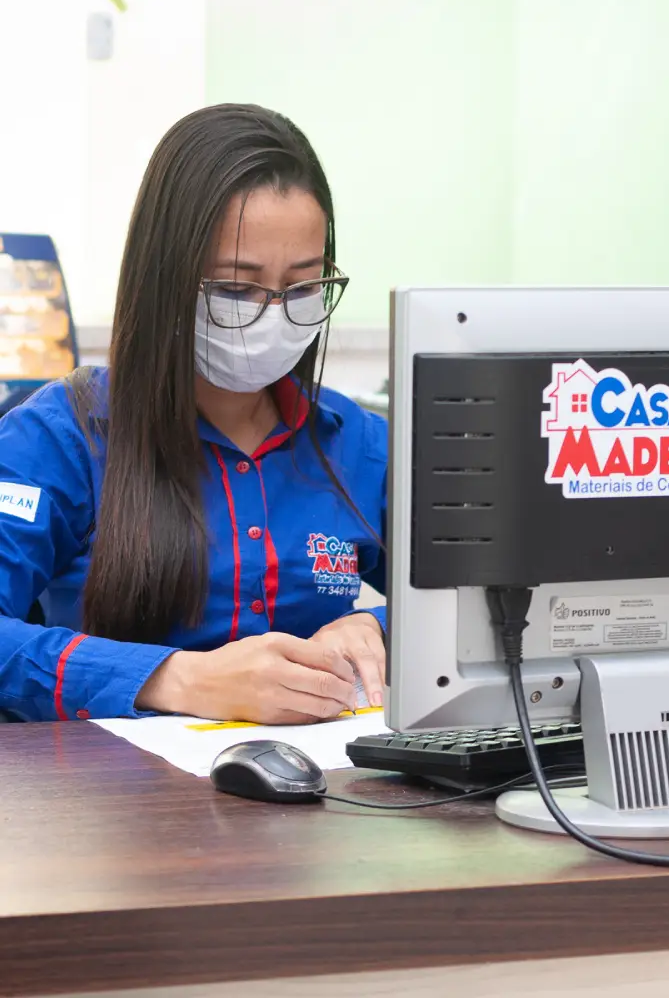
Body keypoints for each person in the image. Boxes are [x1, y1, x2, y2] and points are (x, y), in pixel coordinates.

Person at [0, 104, 387, 723]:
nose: (274, 313)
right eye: (237, 288)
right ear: (167, 280)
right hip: (119, 806)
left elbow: (490, 598)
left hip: (324, 798)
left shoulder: (360, 444)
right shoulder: (62, 437)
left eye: (304, 287)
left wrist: (377, 628)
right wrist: (173, 678)